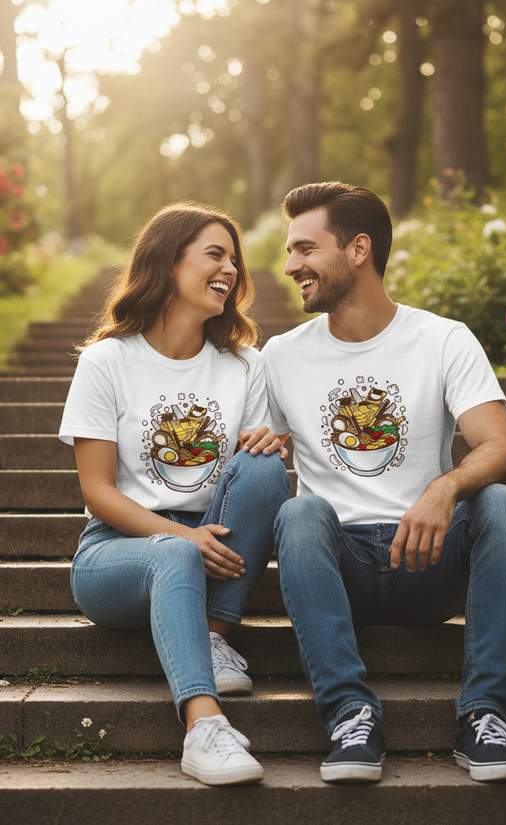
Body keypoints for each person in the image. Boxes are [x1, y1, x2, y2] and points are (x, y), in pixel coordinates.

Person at [261, 181, 506, 784]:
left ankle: (486, 715)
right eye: (289, 251)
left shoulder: (443, 339)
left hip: (427, 558)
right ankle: (349, 716)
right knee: (299, 513)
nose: (290, 266)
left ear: (358, 249)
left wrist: (444, 488)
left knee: (505, 504)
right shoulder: (279, 355)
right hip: (341, 569)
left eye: (305, 248)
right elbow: (254, 448)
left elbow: (503, 447)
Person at [59, 202, 290, 786]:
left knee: (265, 468)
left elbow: (251, 480)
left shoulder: (245, 365)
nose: (230, 269)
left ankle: (213, 635)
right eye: (214, 254)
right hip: (118, 550)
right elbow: (97, 492)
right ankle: (203, 727)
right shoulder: (106, 361)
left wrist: (269, 443)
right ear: (167, 262)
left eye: (234, 259)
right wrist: (181, 538)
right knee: (175, 554)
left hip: (214, 536)